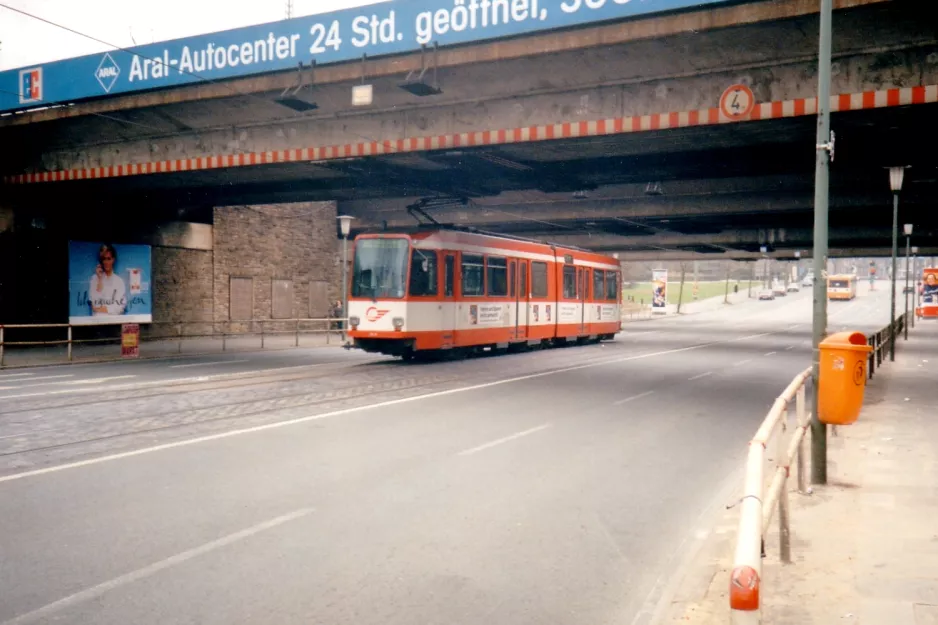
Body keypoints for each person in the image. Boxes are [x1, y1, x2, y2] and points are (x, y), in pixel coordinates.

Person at [89, 243, 126, 316]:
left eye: (109, 259)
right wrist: (99, 279)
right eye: (104, 259)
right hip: (97, 323)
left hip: (114, 323)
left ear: (113, 260)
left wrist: (100, 309)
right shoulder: (94, 279)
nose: (106, 262)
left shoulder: (119, 281)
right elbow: (95, 305)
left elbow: (120, 308)